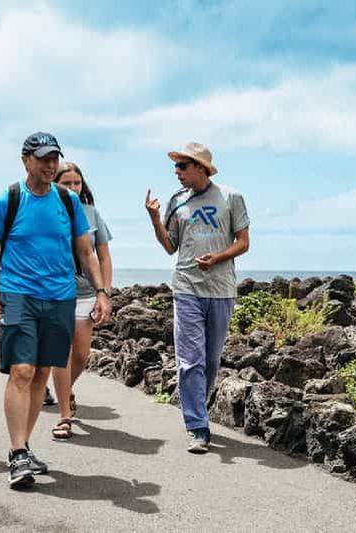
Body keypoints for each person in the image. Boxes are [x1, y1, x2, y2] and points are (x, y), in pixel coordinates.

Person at [0, 132, 111, 488]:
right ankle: (18, 452)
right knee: (22, 370)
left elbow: (86, 252)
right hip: (19, 294)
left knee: (40, 374)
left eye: (54, 159)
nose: (51, 165)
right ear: (26, 160)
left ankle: (23, 445)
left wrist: (101, 292)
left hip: (61, 297)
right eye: (43, 159)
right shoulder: (9, 200)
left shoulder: (68, 201)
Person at [145, 142, 250, 453]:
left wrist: (217, 258)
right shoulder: (177, 202)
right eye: (175, 167)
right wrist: (154, 219)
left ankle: (198, 411)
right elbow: (170, 246)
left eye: (182, 166)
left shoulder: (231, 197)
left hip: (221, 289)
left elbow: (243, 242)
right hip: (186, 288)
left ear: (201, 168)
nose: (177, 172)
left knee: (211, 360)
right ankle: (198, 426)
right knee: (190, 360)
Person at [50, 162, 113, 439]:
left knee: (81, 355)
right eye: (67, 183)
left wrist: (105, 292)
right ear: (55, 184)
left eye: (77, 183)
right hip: (55, 291)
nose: (73, 188)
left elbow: (104, 256)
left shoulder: (91, 212)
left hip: (87, 292)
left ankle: (65, 389)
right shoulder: (45, 209)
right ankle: (64, 415)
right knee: (61, 354)